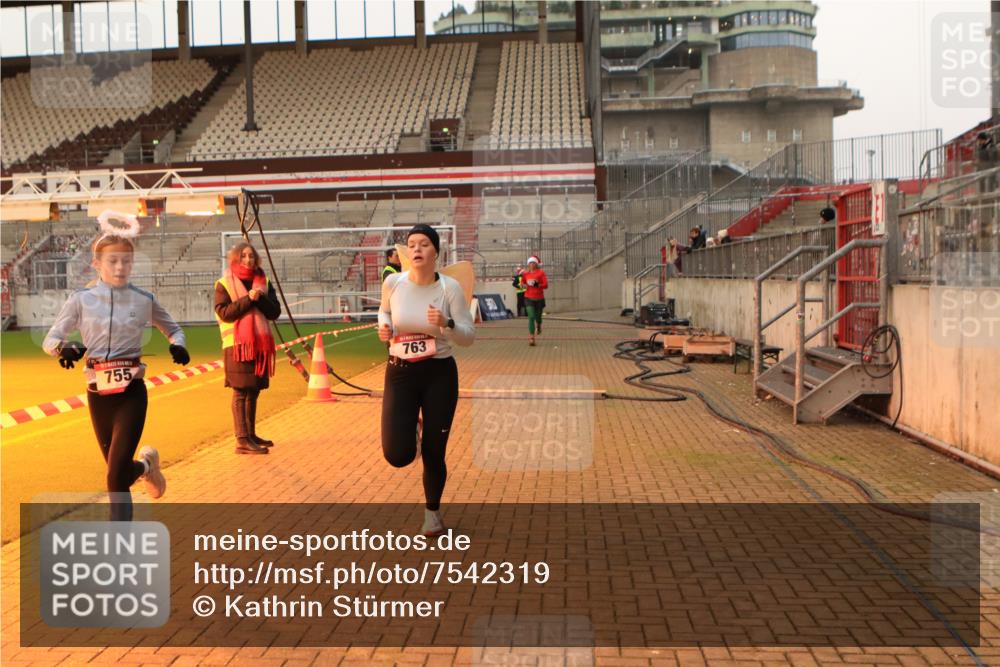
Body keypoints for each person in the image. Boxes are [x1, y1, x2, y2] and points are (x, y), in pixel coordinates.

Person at [43, 222, 189, 521]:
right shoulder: (80, 300)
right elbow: (51, 338)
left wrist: (179, 344)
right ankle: (147, 467)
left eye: (126, 260)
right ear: (96, 263)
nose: (120, 267)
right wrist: (63, 349)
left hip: (131, 393)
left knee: (113, 476)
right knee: (119, 473)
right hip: (98, 394)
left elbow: (173, 328)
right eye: (112, 260)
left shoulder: (143, 299)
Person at [378, 224, 475, 537]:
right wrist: (384, 328)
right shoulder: (393, 283)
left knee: (435, 450)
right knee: (397, 455)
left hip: (439, 374)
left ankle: (432, 514)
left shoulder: (450, 289)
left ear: (436, 251)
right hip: (400, 373)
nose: (416, 249)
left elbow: (468, 337)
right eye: (412, 244)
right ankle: (413, 431)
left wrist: (445, 323)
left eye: (424, 244)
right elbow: (384, 313)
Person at [214, 242, 282, 455]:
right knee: (241, 391)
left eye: (251, 256)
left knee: (254, 390)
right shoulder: (224, 283)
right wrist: (248, 299)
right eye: (243, 256)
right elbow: (224, 313)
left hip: (258, 345)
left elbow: (274, 312)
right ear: (235, 258)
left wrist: (258, 298)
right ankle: (241, 439)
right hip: (237, 345)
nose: (248, 260)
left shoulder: (264, 281)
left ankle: (250, 434)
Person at [520, 256, 548, 346]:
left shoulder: (541, 273)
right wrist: (523, 286)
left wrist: (537, 284)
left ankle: (539, 325)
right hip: (528, 298)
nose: (531, 264)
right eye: (530, 263)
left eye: (533, 263)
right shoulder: (525, 274)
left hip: (539, 298)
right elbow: (522, 283)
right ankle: (532, 338)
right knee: (531, 317)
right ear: (528, 264)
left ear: (536, 264)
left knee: (538, 317)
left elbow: (546, 285)